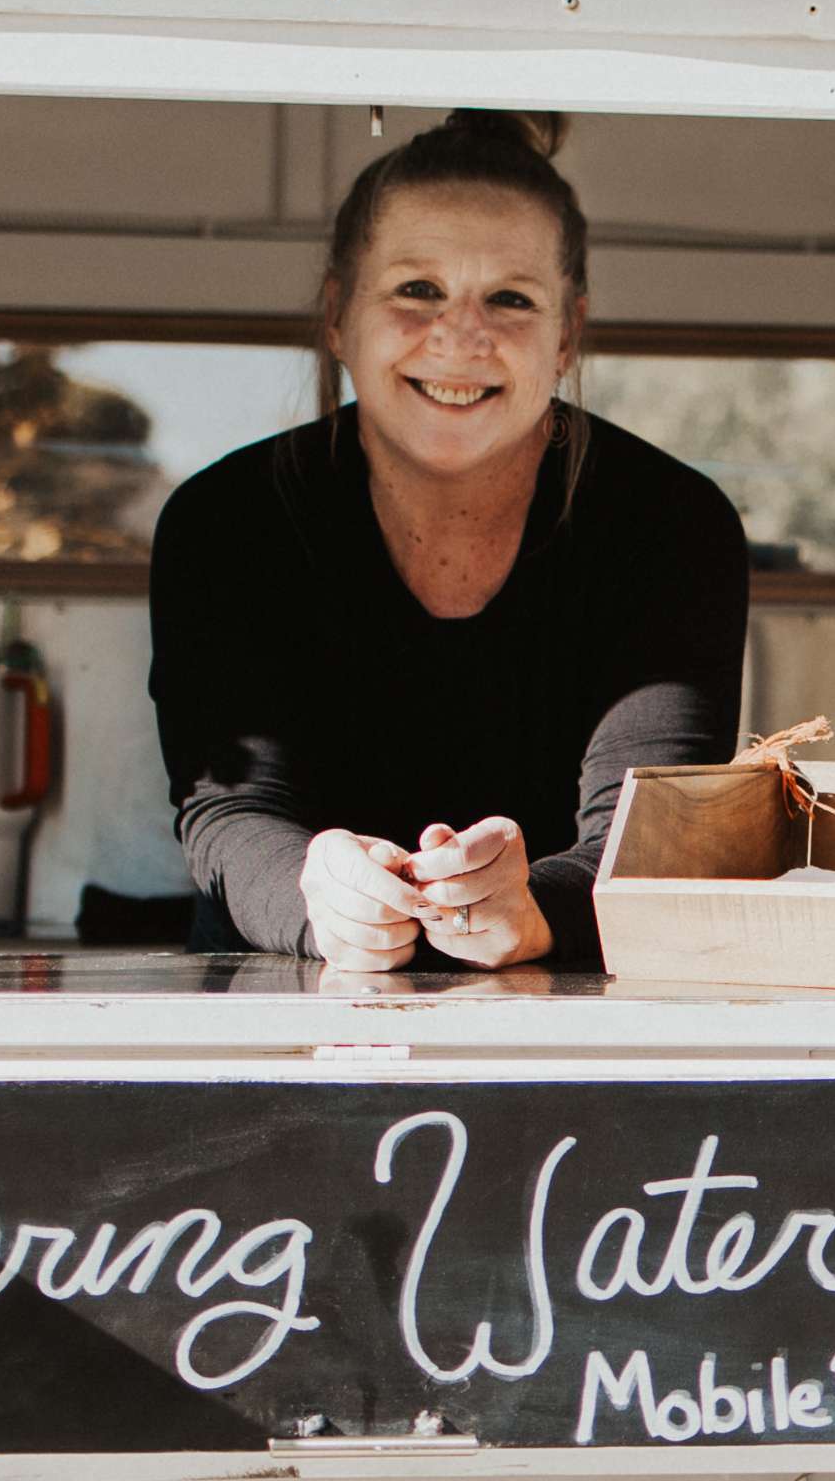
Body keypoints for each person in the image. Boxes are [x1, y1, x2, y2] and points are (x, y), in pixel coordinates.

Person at [148, 112, 749, 969]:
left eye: (510, 298)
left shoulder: (670, 524)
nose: (461, 338)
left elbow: (645, 838)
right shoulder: (227, 522)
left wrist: (532, 908)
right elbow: (229, 817)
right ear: (336, 313)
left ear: (568, 333)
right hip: (283, 1012)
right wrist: (318, 895)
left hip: (574, 1027)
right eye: (416, 290)